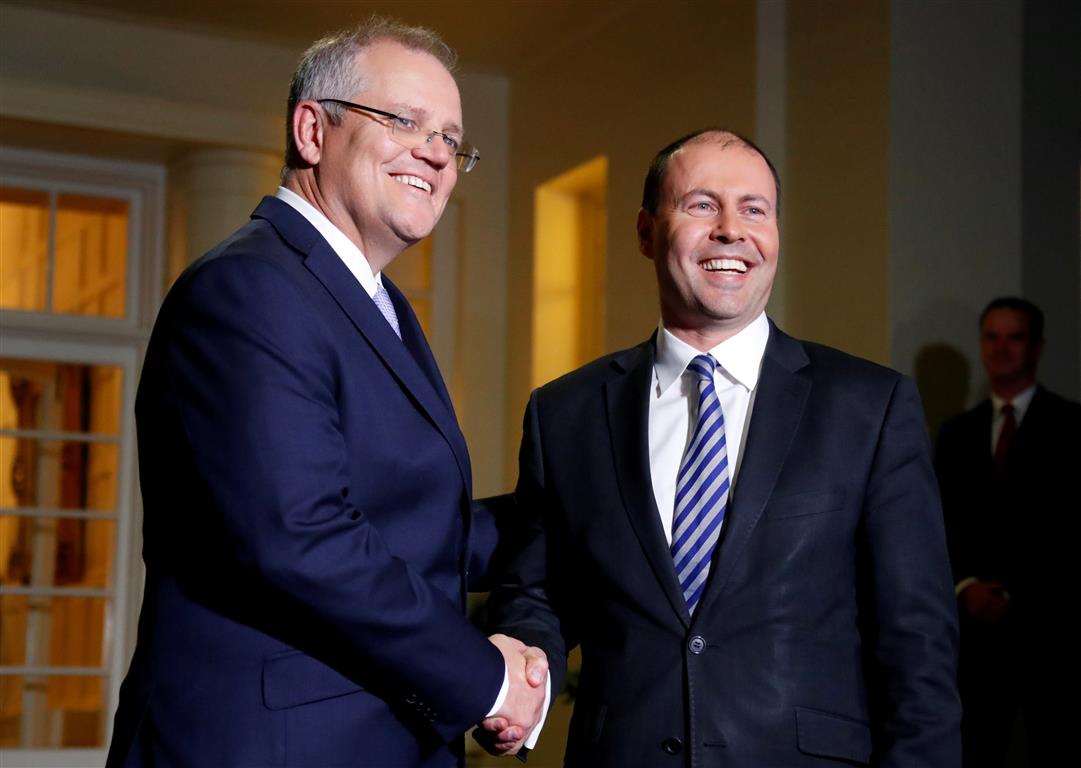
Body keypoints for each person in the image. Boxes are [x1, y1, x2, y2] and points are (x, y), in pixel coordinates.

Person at [106, 17, 546, 768]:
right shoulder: (249, 287)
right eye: (405, 121)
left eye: (451, 139)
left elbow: (402, 522)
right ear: (313, 129)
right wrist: (487, 680)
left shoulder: (371, 300)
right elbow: (300, 534)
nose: (436, 154)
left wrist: (582, 507)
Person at [485, 129, 961, 765]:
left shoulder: (869, 408)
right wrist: (524, 676)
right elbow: (537, 590)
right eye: (702, 205)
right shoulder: (565, 412)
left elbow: (917, 643)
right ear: (647, 232)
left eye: (755, 209)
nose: (732, 230)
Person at [935, 297, 1080, 767]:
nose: (1000, 348)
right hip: (974, 636)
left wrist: (1019, 595)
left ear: (1036, 346)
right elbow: (940, 525)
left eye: (1013, 337)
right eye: (991, 336)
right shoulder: (956, 433)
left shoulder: (1072, 426)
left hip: (1053, 632)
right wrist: (967, 587)